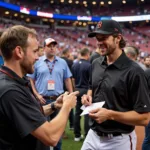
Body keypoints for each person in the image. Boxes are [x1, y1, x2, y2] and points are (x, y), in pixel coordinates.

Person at [0, 25, 78, 150]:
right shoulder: (10, 91)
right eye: (35, 51)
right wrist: (67, 106)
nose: (37, 57)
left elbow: (31, 114)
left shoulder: (18, 81)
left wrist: (54, 106)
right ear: (19, 52)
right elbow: (51, 137)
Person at [81, 20, 150, 150]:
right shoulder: (96, 63)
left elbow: (144, 118)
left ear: (118, 38)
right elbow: (92, 87)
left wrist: (110, 114)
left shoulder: (134, 71)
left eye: (104, 38)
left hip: (119, 140)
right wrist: (88, 96)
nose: (99, 42)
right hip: (93, 135)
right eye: (97, 38)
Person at [27, 37, 73, 150]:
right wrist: (37, 95)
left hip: (59, 99)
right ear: (44, 48)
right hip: (43, 100)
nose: (52, 48)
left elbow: (67, 79)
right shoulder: (38, 62)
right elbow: (31, 80)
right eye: (49, 46)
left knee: (58, 131)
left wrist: (71, 94)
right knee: (43, 132)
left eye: (54, 46)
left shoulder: (62, 62)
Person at [72, 48, 90, 141]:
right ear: (87, 54)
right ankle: (87, 135)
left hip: (77, 90)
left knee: (77, 114)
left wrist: (74, 89)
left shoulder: (75, 64)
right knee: (87, 114)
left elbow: (73, 79)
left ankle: (77, 135)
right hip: (86, 91)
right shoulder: (89, 65)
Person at [61, 48, 74, 130]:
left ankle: (62, 129)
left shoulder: (58, 61)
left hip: (59, 87)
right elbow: (71, 77)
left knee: (60, 108)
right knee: (69, 106)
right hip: (67, 86)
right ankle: (71, 125)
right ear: (67, 53)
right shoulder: (69, 62)